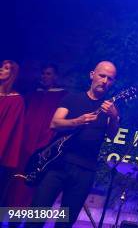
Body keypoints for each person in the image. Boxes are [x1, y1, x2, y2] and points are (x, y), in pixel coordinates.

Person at [29, 61, 120, 227]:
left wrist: (114, 117)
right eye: (102, 76)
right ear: (92, 75)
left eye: (110, 78)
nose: (105, 81)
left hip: (86, 170)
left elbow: (112, 134)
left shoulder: (110, 108)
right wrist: (77, 121)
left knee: (66, 221)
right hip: (58, 165)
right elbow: (55, 123)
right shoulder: (72, 98)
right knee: (37, 213)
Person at [8, 64, 68, 207]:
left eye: (48, 74)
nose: (44, 76)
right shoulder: (33, 94)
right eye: (43, 73)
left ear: (55, 77)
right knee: (18, 183)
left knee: (37, 185)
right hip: (26, 144)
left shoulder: (61, 96)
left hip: (45, 145)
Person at [0, 60, 25, 203]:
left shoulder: (16, 101)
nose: (1, 69)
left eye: (6, 68)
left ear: (12, 74)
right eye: (1, 66)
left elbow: (7, 133)